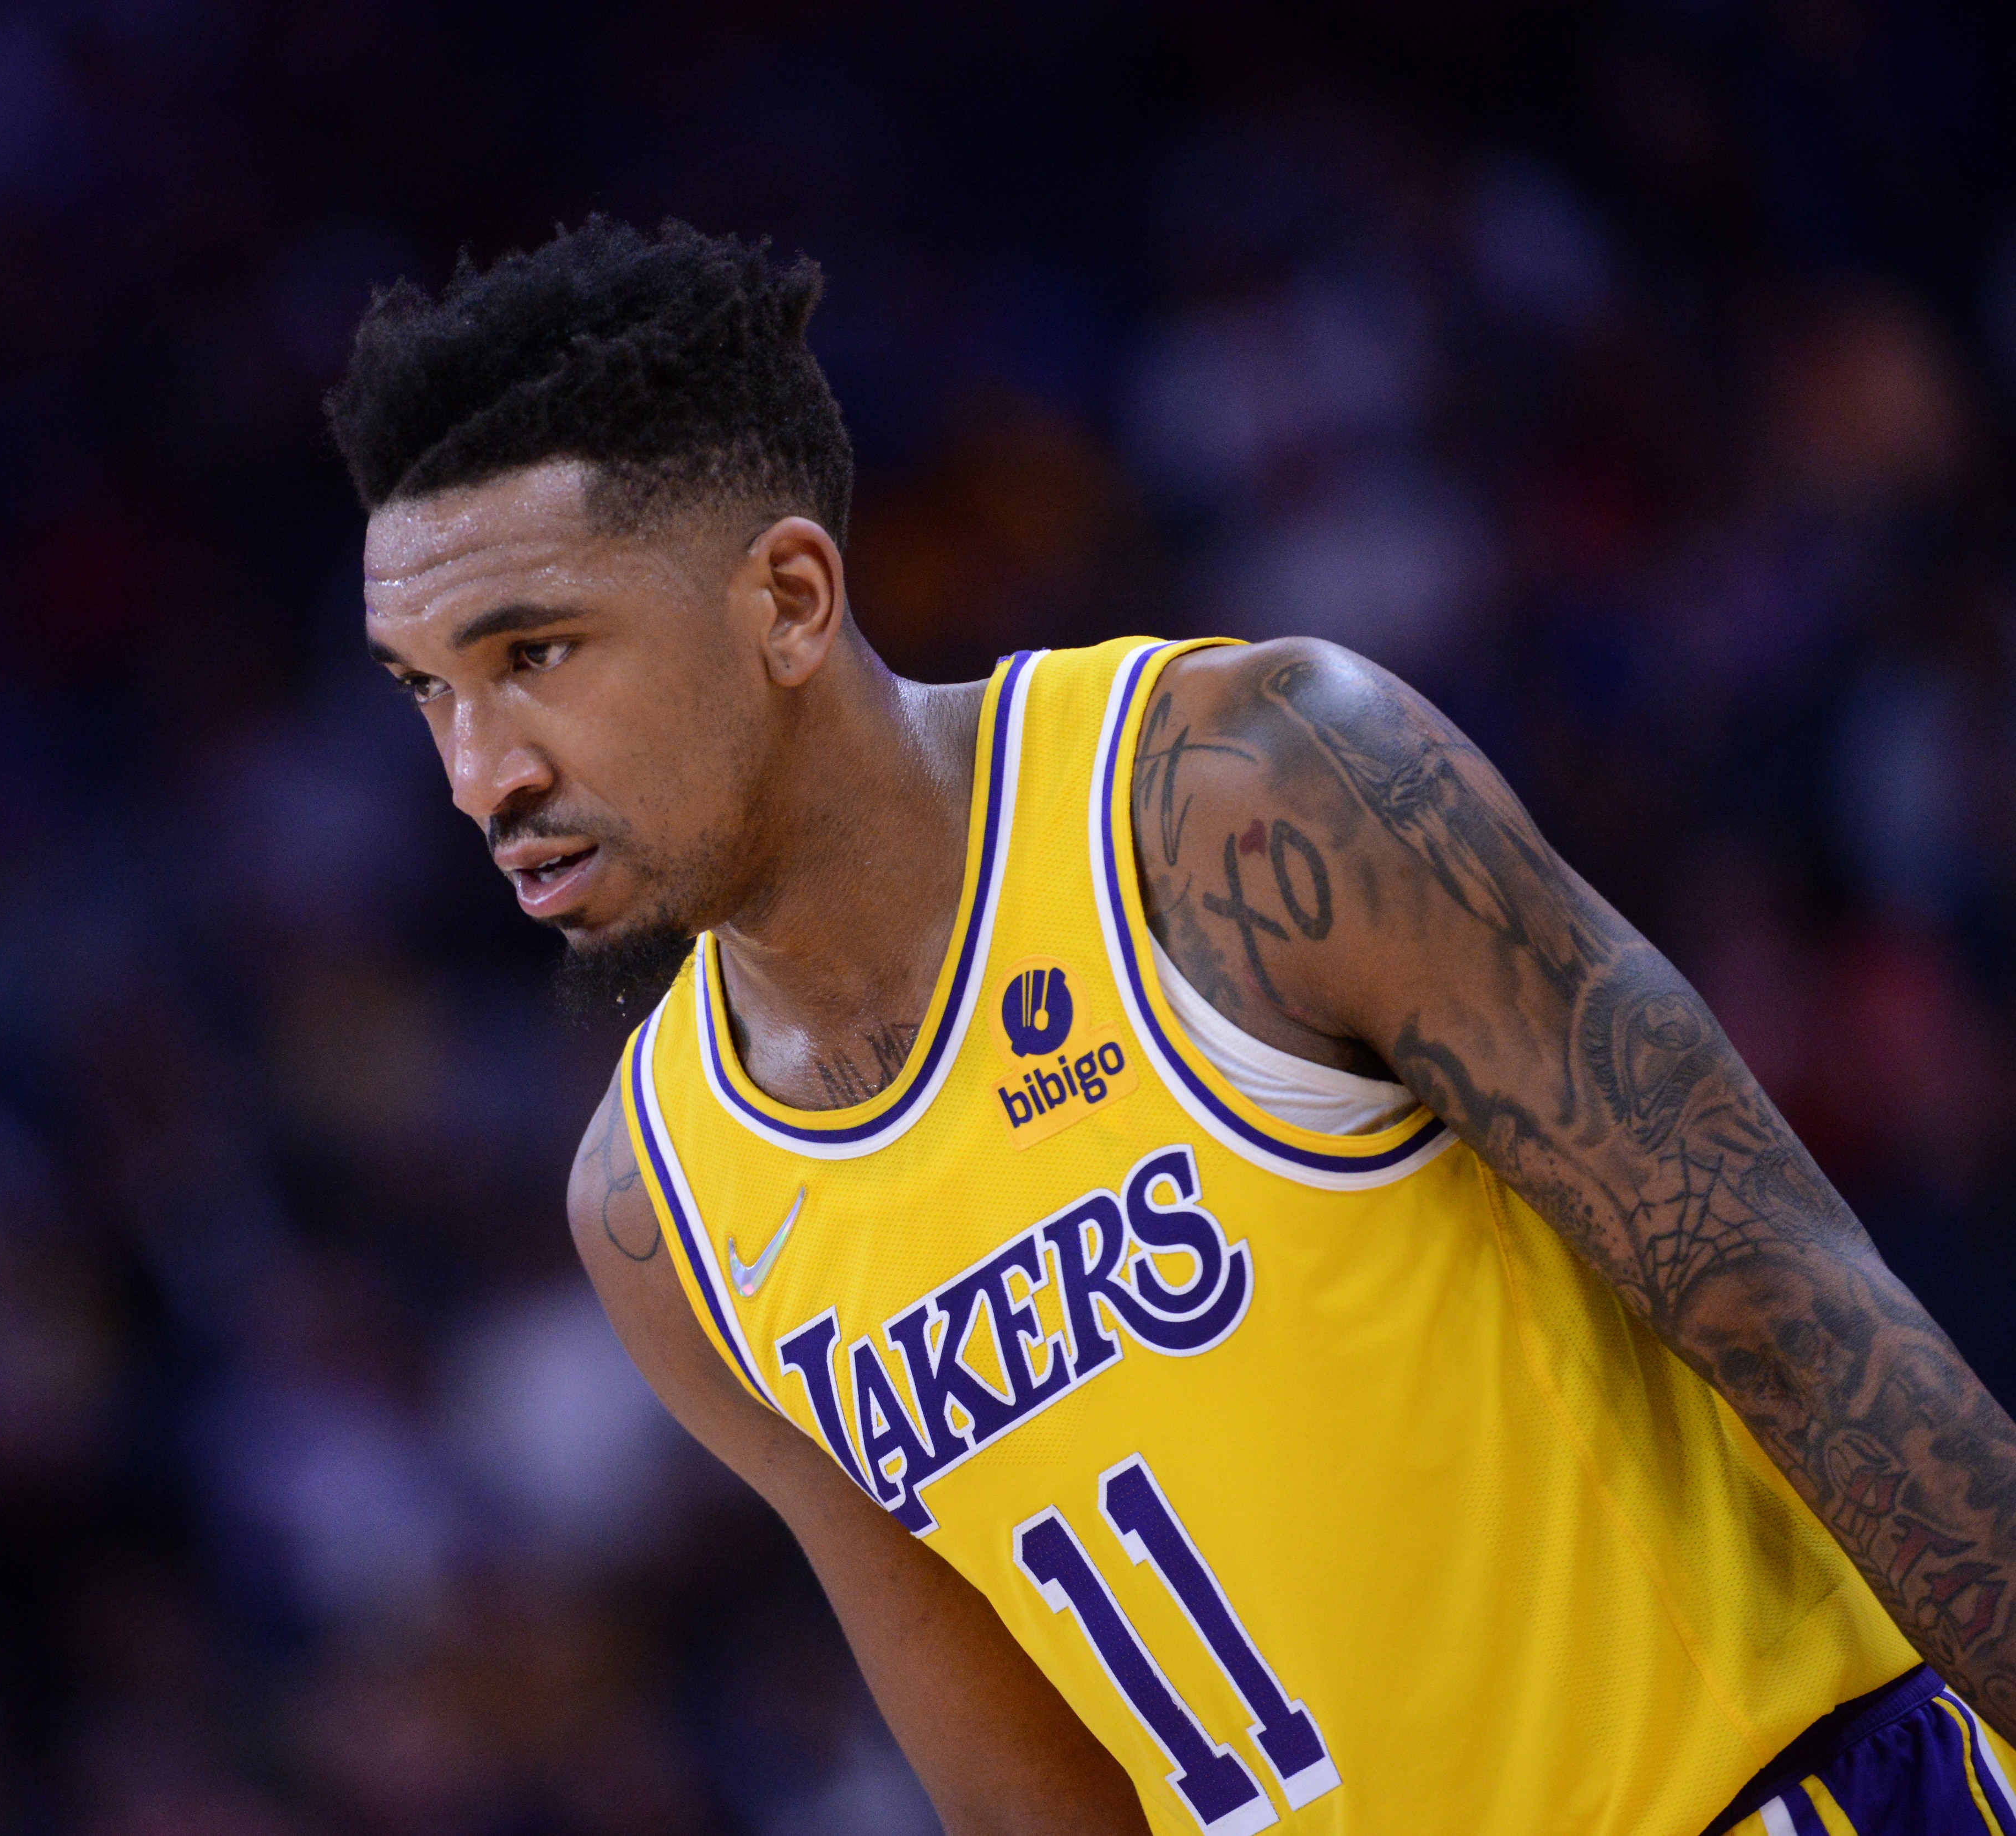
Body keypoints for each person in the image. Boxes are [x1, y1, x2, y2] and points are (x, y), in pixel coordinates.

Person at [328, 217, 2016, 1835]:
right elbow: (1025, 1799)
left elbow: (1808, 1327)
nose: (483, 774)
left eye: (534, 653)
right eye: (426, 692)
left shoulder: (1246, 794)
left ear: (784, 601)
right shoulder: (660, 1208)